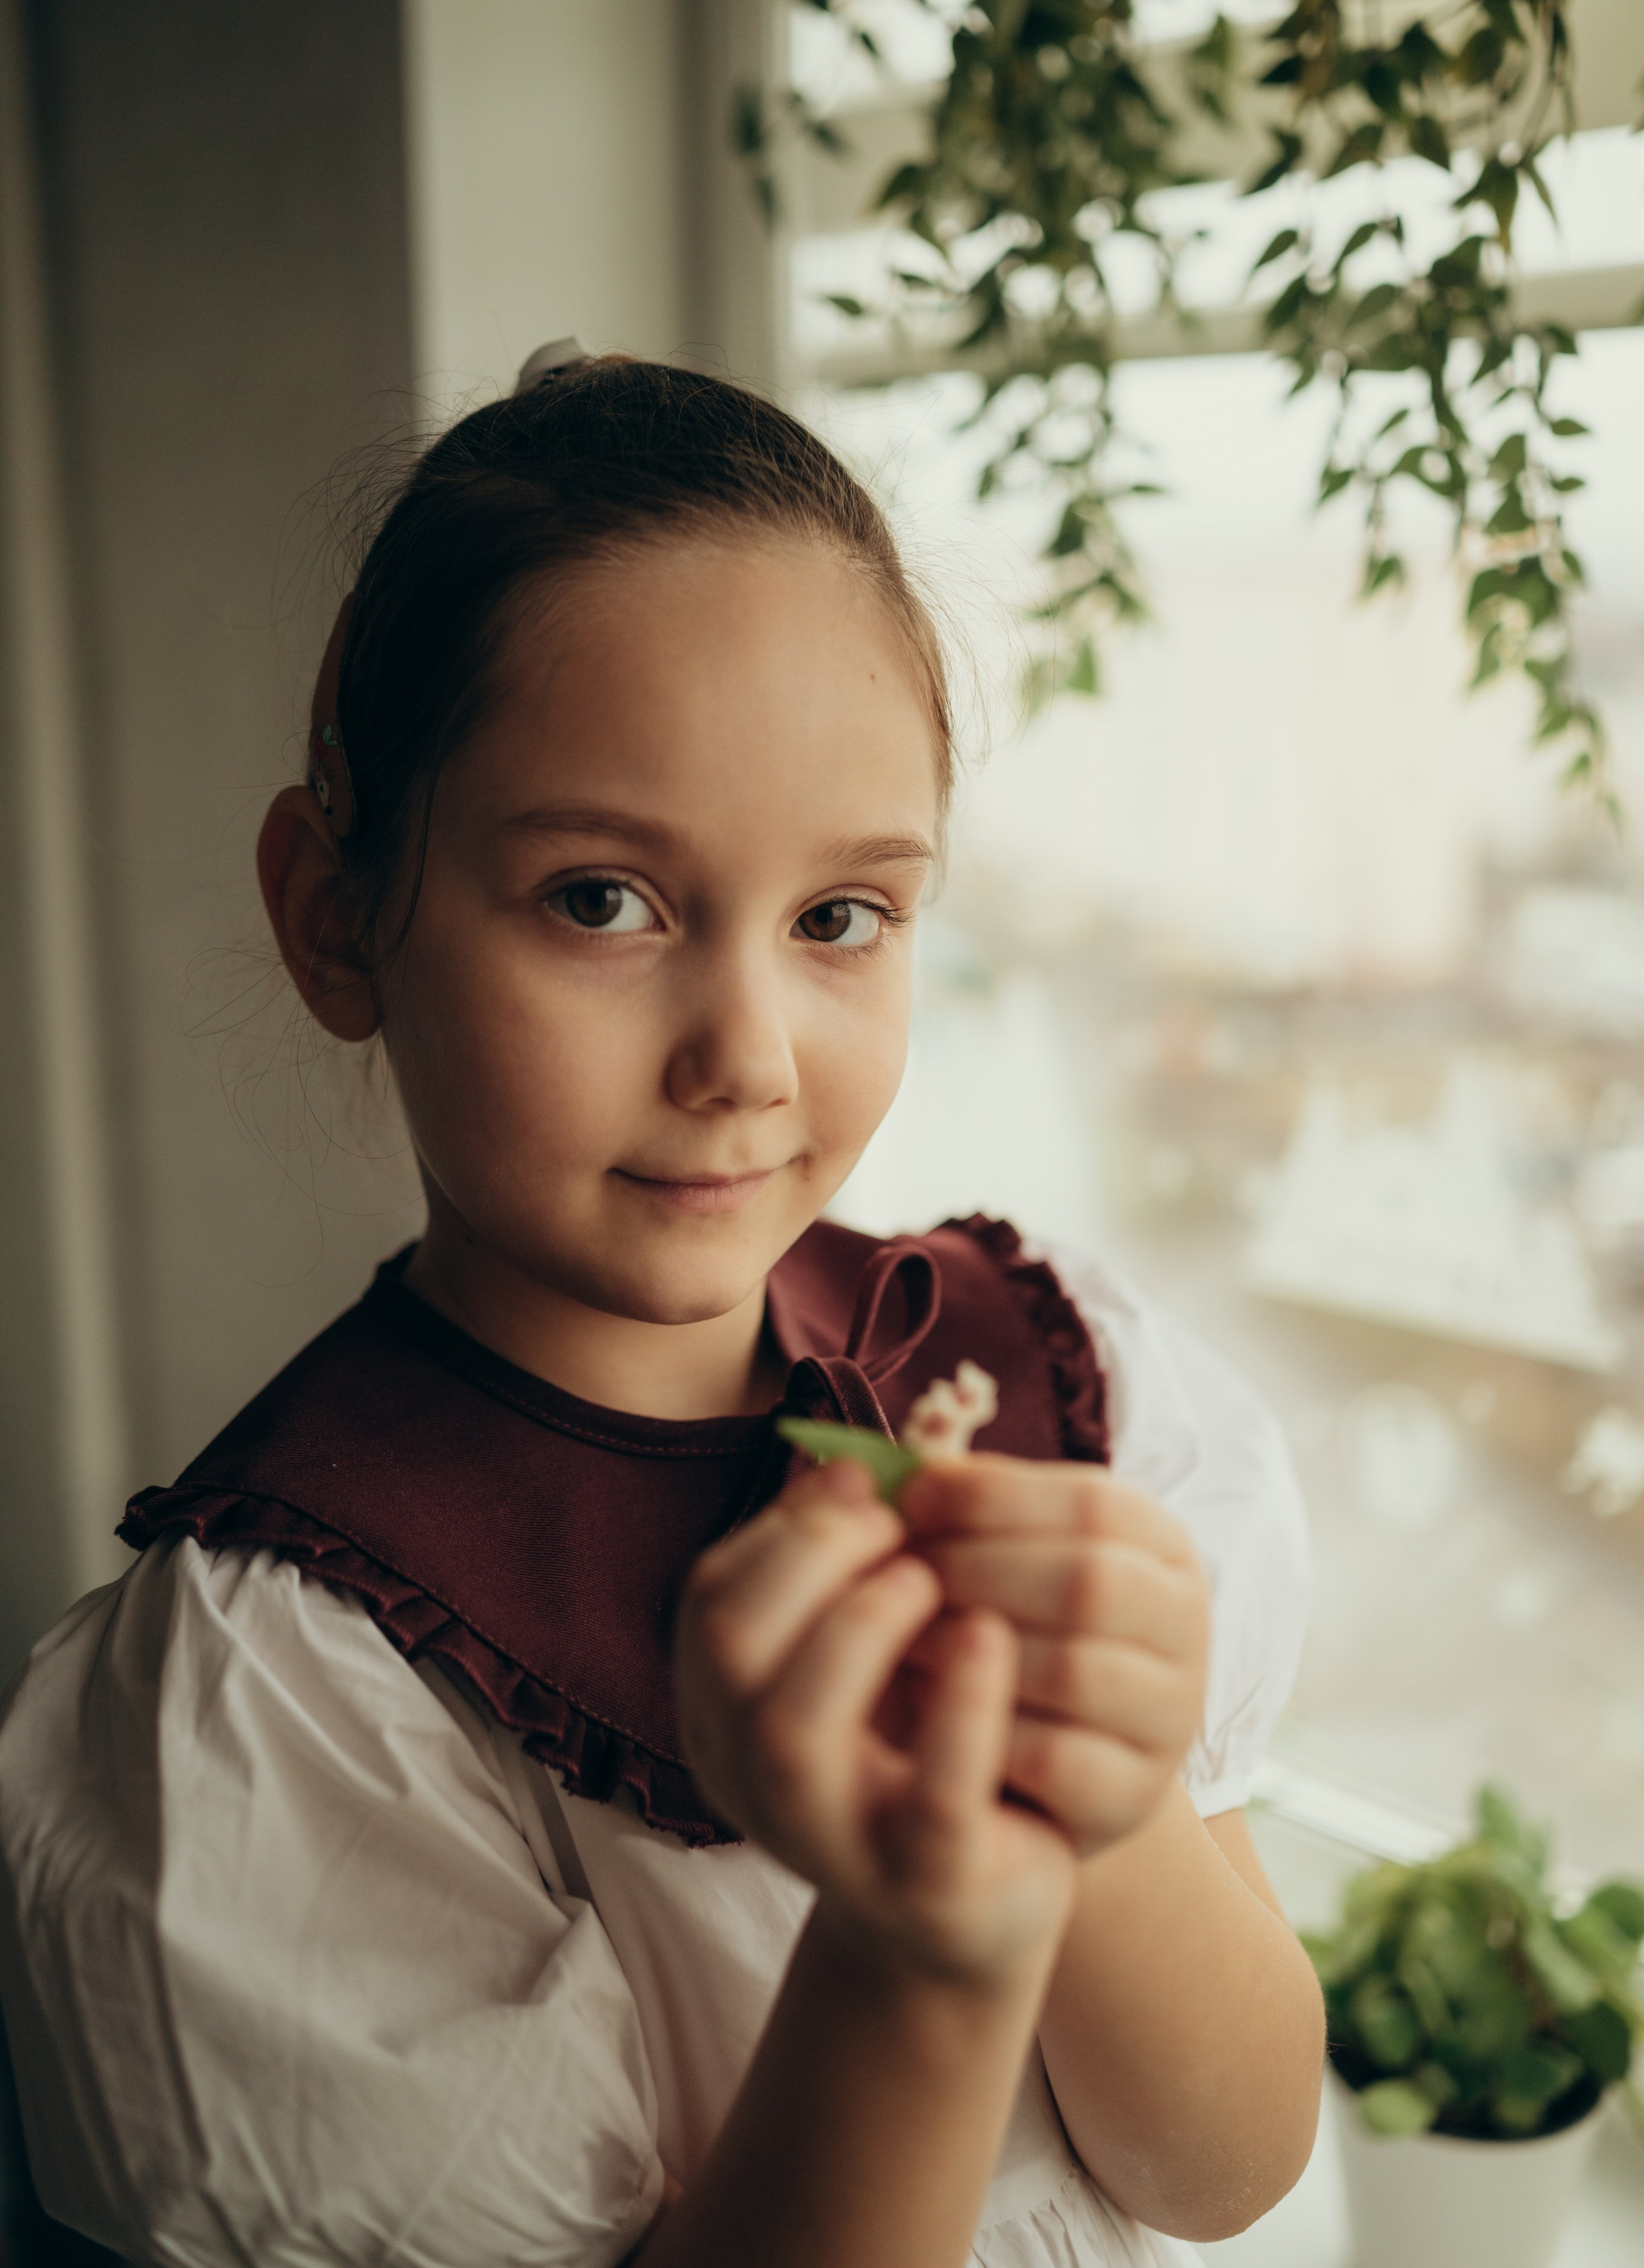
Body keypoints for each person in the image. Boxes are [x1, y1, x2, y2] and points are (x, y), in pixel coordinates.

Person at [0, 351, 1323, 2268]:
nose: (749, 1057)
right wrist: (918, 1951)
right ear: (335, 913)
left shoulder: (1050, 1379)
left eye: (841, 917)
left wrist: (1105, 1817)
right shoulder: (277, 1710)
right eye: (604, 900)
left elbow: (1226, 2165)